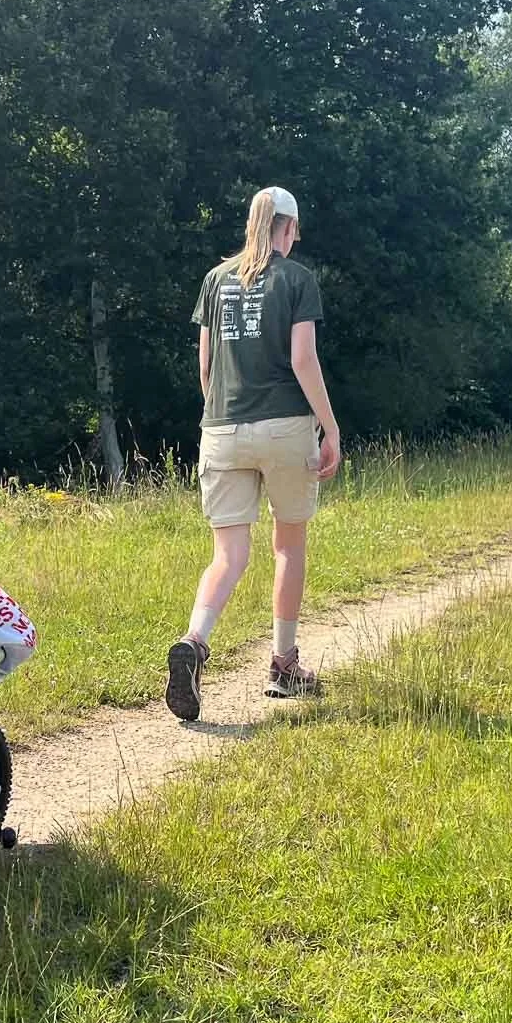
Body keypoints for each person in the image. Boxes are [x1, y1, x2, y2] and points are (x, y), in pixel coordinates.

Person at [165, 186, 341, 720]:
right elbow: (303, 360)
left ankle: (195, 641)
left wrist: (221, 416)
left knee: (229, 555)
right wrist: (330, 428)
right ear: (288, 227)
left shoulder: (215, 280)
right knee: (288, 545)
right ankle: (283, 665)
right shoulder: (297, 279)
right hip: (285, 426)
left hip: (222, 428)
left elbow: (205, 366)